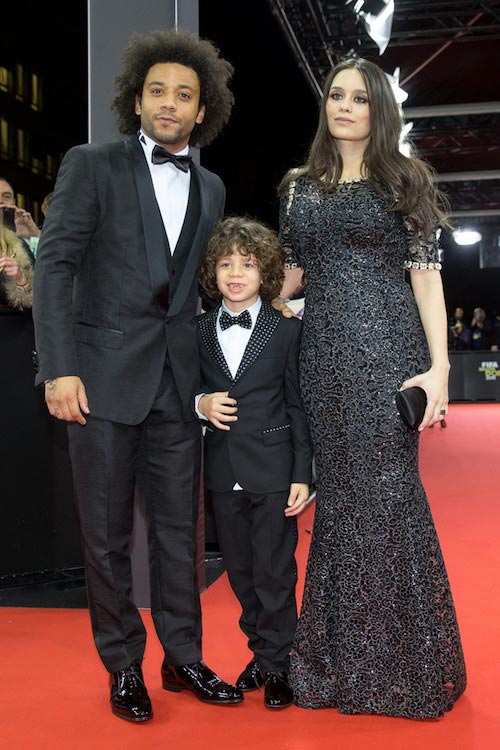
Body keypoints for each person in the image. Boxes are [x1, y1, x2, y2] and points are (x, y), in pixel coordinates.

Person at [33, 29, 242, 722]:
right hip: (98, 379)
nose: (169, 104)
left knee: (182, 531)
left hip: (178, 389)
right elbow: (55, 267)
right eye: (158, 91)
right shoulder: (91, 164)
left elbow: (194, 294)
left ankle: (183, 656)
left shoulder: (210, 186)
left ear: (201, 111)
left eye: (184, 95)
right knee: (106, 533)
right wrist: (58, 368)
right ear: (137, 98)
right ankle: (123, 664)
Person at [277, 56, 466, 718]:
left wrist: (439, 369)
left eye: (360, 98)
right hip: (324, 365)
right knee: (343, 509)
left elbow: (425, 276)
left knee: (387, 502)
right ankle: (339, 665)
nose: (345, 106)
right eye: (336, 95)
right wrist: (231, 287)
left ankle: (402, 669)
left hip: (389, 359)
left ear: (379, 110)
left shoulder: (403, 181)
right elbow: (290, 275)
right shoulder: (299, 188)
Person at [196, 217, 312, 709]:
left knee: (274, 571)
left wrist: (302, 474)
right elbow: (183, 391)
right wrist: (200, 403)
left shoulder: (286, 328)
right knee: (241, 574)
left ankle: (279, 664)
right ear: (211, 272)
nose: (236, 273)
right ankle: (262, 654)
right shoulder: (198, 329)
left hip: (272, 469)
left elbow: (298, 403)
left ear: (264, 271)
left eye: (246, 264)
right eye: (226, 264)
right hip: (223, 472)